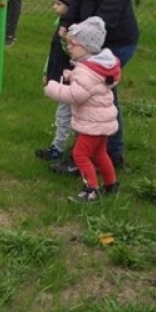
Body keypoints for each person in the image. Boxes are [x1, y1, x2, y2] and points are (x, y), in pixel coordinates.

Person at [52, 0, 138, 176]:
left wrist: (91, 33)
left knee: (92, 98)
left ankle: (92, 156)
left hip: (115, 38)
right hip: (91, 37)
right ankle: (108, 155)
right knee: (103, 98)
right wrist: (68, 21)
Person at [44, 16, 121, 203]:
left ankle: (91, 190)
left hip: (91, 123)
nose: (69, 47)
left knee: (80, 154)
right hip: (103, 122)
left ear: (86, 47)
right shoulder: (97, 67)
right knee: (99, 153)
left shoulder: (85, 72)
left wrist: (52, 87)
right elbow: (89, 85)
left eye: (73, 44)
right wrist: (73, 75)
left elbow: (76, 95)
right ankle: (111, 184)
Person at [34, 0, 79, 163]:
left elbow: (72, 54)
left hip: (70, 80)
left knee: (64, 114)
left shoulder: (74, 30)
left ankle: (60, 148)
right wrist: (47, 72)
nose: (54, 7)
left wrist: (66, 38)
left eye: (58, 4)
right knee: (64, 114)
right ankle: (64, 146)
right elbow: (53, 51)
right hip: (60, 76)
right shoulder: (60, 24)